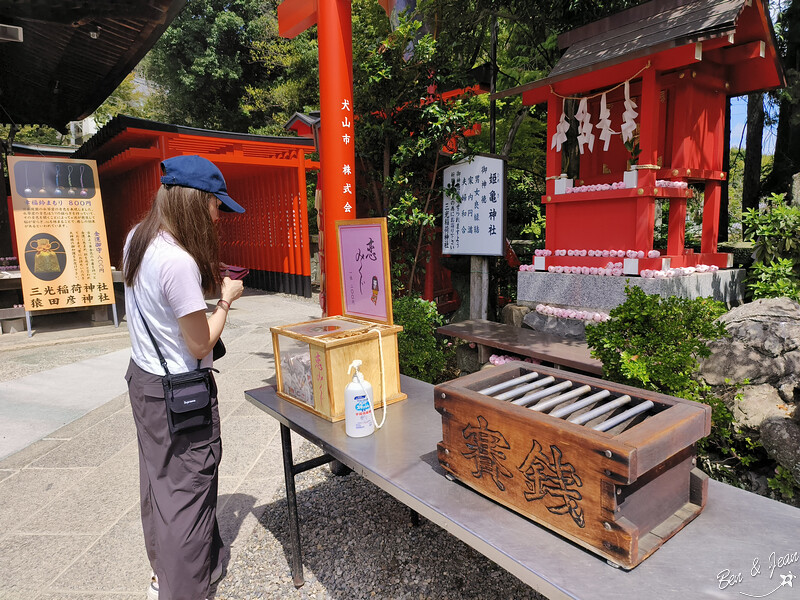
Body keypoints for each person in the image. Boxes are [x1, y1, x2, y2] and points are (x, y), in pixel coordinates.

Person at [123, 155, 245, 600]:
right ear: (196, 203)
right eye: (216, 206)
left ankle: (164, 574)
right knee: (189, 494)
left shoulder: (139, 238)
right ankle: (184, 591)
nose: (219, 216)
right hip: (180, 395)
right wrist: (226, 300)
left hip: (144, 380)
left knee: (160, 482)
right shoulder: (177, 262)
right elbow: (199, 344)